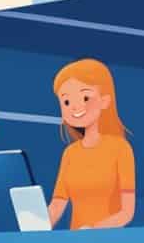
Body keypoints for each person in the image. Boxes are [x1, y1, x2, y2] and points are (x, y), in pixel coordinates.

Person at [48, 58, 136, 230]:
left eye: (85, 97)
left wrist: (94, 230)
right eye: (66, 101)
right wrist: (37, 227)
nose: (75, 107)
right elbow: (57, 205)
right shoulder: (70, 153)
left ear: (105, 101)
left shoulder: (120, 148)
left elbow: (127, 212)